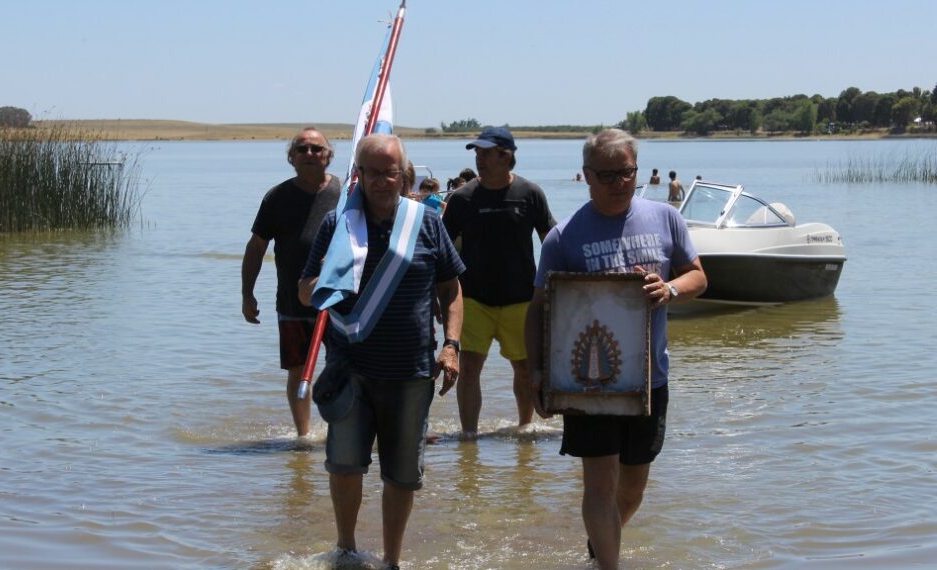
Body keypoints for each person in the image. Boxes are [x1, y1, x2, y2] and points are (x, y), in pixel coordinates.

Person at [525, 128, 706, 570]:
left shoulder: (666, 218)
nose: (619, 183)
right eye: (607, 175)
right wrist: (537, 372)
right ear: (586, 175)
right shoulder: (564, 237)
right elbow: (537, 311)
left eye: (626, 172)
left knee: (632, 488)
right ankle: (608, 563)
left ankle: (599, 544)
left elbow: (698, 276)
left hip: (649, 377)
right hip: (588, 383)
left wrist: (670, 289)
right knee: (599, 486)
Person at [298, 133, 465, 570]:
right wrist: (324, 285)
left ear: (404, 176)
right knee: (345, 465)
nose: (380, 180)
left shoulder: (426, 223)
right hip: (350, 368)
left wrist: (451, 344)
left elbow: (451, 288)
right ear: (359, 176)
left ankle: (392, 560)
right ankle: (346, 549)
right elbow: (303, 291)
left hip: (410, 371)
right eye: (371, 172)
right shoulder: (338, 226)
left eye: (389, 172)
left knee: (404, 474)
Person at [442, 126, 556, 438]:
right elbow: (440, 251)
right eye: (476, 153)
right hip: (474, 299)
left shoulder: (530, 194)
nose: (479, 159)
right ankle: (469, 436)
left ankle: (524, 427)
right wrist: (435, 298)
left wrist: (560, 289)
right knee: (468, 369)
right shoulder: (462, 199)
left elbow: (552, 241)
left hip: (521, 299)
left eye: (486, 153)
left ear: (506, 156)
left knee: (523, 369)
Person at [240, 127, 341, 437]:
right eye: (302, 149)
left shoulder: (347, 193)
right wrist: (247, 295)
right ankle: (304, 435)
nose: (309, 154)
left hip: (341, 301)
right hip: (292, 301)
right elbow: (257, 247)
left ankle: (343, 428)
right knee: (298, 371)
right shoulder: (277, 197)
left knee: (344, 367)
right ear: (291, 157)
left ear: (329, 156)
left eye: (316, 148)